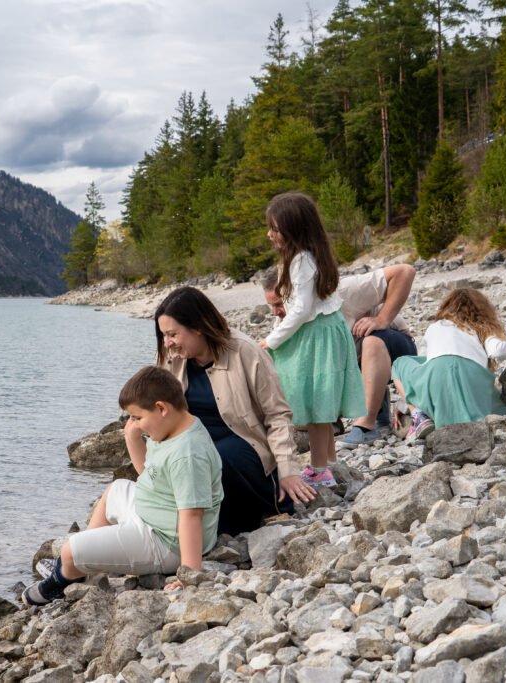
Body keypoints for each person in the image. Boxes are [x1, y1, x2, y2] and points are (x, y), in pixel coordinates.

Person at [22, 366, 223, 605]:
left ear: (161, 408)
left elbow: (192, 515)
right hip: (155, 518)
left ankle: (64, 577)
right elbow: (149, 476)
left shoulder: (187, 454)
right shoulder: (172, 429)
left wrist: (189, 573)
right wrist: (132, 437)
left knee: (68, 550)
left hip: (167, 543)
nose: (134, 424)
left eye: (137, 418)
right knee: (117, 489)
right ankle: (85, 564)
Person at [155, 286, 316, 537]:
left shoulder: (244, 350)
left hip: (243, 453)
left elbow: (277, 414)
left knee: (217, 457)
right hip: (195, 452)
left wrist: (288, 470)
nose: (168, 343)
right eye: (164, 335)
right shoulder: (172, 357)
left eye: (172, 334)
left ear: (197, 326)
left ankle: (222, 527)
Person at [260, 192, 366, 488]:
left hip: (317, 334)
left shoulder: (302, 261)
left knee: (317, 403)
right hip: (324, 330)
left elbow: (301, 310)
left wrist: (273, 339)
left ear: (293, 230)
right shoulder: (307, 257)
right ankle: (329, 460)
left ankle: (319, 469)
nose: (270, 234)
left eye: (275, 229)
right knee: (321, 399)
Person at [262, 263, 418, 446]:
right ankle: (338, 417)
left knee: (371, 340)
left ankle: (366, 425)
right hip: (356, 360)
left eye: (279, 304)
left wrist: (382, 319)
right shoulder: (285, 321)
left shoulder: (340, 292)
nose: (274, 313)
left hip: (396, 353)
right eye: (270, 306)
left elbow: (404, 272)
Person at [391, 288, 506, 440]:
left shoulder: (435, 327)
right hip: (471, 379)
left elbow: (428, 361)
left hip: (436, 376)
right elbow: (497, 350)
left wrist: (406, 402)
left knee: (399, 364)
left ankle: (417, 414)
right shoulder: (480, 326)